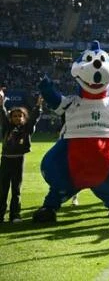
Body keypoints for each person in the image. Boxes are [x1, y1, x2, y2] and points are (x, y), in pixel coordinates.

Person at [0, 91, 42, 223]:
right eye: (15, 116)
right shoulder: (7, 127)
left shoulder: (27, 129)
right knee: (2, 189)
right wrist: (1, 104)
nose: (18, 118)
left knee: (16, 190)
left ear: (24, 118)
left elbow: (34, 118)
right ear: (10, 118)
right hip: (5, 159)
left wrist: (38, 106)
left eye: (20, 116)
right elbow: (2, 115)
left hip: (18, 160)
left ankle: (15, 215)